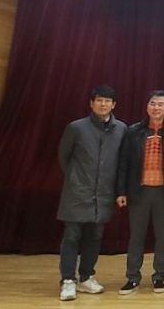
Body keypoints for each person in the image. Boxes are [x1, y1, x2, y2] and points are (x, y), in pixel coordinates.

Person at [56, 85, 127, 301]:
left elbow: (122, 162)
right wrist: (75, 179)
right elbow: (64, 157)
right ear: (91, 103)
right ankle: (68, 280)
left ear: (114, 105)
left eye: (107, 101)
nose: (103, 104)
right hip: (77, 192)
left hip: (104, 193)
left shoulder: (121, 129)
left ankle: (86, 277)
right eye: (99, 100)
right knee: (72, 236)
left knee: (95, 237)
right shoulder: (76, 127)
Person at [115, 89, 164, 296]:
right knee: (136, 236)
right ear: (147, 107)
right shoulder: (133, 131)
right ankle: (132, 278)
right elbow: (124, 163)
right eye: (153, 103)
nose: (156, 108)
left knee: (162, 236)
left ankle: (159, 276)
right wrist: (121, 191)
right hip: (139, 191)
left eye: (160, 104)